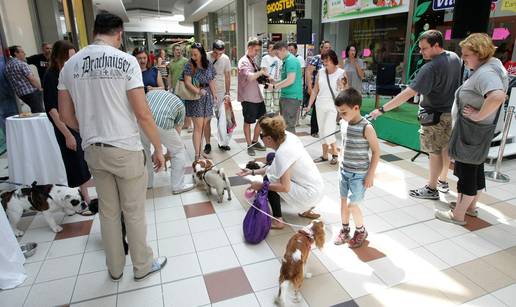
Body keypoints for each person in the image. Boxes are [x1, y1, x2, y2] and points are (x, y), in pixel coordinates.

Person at [58, 12, 167, 282]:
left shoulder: (70, 65)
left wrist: (91, 132)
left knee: (108, 212)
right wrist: (158, 147)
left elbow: (65, 114)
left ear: (95, 31)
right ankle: (142, 266)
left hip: (94, 150)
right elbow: (142, 114)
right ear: (119, 34)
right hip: (126, 149)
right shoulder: (127, 62)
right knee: (133, 212)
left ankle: (115, 268)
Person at [370, 30, 462, 199]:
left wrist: (382, 109)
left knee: (434, 152)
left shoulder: (430, 67)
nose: (421, 52)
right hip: (451, 113)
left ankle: (431, 188)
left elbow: (408, 93)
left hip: (435, 116)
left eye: (424, 48)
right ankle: (442, 181)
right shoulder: (455, 58)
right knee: (444, 149)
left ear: (436, 45)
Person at [435, 33, 508, 225]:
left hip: (472, 130)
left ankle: (458, 215)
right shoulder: (493, 66)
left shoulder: (486, 73)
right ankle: (471, 207)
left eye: (466, 55)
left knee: (466, 172)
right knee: (475, 169)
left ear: (480, 53)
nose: (463, 59)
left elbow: (498, 96)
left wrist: (478, 115)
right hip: (479, 131)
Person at [239, 115, 323, 229]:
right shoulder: (288, 137)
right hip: (318, 189)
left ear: (268, 138)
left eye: (261, 135)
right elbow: (273, 167)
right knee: (272, 171)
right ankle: (306, 210)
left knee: (269, 179)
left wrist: (261, 185)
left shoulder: (282, 153)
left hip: (310, 194)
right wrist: (252, 172)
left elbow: (285, 187)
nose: (260, 138)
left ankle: (278, 220)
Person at [42, 40, 94, 204]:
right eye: (68, 58)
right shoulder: (51, 76)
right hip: (64, 126)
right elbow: (52, 110)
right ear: (58, 58)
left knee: (82, 162)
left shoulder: (70, 73)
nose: (71, 62)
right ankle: (82, 199)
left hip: (76, 123)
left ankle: (84, 196)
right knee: (75, 163)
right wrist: (67, 134)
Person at [333, 87, 380, 248]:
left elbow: (376, 152)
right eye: (339, 112)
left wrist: (370, 175)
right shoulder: (344, 124)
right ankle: (345, 229)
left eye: (344, 112)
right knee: (343, 202)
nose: (341, 116)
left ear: (356, 108)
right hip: (344, 171)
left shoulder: (366, 127)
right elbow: (345, 145)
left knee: (353, 205)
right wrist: (340, 160)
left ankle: (360, 230)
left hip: (359, 175)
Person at [142, 90, 195, 194]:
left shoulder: (151, 93)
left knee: (145, 151)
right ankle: (178, 186)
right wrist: (167, 154)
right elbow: (176, 135)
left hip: (142, 122)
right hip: (162, 122)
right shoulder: (180, 106)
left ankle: (148, 183)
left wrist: (157, 151)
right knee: (178, 150)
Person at [305, 50, 347, 165]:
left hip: (333, 105)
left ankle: (334, 153)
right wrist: (309, 105)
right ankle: (324, 155)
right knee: (322, 131)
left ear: (333, 60)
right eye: (323, 60)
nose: (325, 62)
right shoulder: (321, 72)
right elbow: (315, 91)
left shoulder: (341, 73)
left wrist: (341, 87)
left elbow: (346, 91)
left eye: (327, 60)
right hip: (319, 104)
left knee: (329, 130)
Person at [182, 42, 217, 161]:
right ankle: (197, 155)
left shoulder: (209, 64)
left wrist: (214, 95)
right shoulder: (189, 65)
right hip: (195, 97)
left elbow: (211, 80)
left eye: (195, 54)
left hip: (207, 97)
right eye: (191, 54)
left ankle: (200, 151)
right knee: (198, 127)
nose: (193, 57)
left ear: (202, 54)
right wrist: (198, 91)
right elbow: (187, 82)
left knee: (203, 126)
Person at [237, 37, 268, 156]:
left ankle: (255, 141)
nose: (257, 53)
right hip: (248, 97)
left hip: (257, 96)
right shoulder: (243, 61)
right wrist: (261, 72)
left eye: (258, 50)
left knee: (262, 119)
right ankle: (249, 144)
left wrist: (265, 78)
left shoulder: (252, 60)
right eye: (256, 50)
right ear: (249, 48)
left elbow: (256, 77)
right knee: (248, 121)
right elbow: (249, 77)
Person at [269, 41, 303, 133]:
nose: (276, 56)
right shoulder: (286, 61)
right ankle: (287, 146)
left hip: (291, 97)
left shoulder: (290, 61)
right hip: (287, 96)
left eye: (277, 53)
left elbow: (290, 80)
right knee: (285, 125)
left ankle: (291, 147)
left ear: (283, 50)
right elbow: (286, 79)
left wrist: (275, 86)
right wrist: (274, 82)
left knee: (288, 126)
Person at [207, 40, 232, 152]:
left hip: (221, 92)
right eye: (216, 53)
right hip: (207, 91)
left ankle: (222, 142)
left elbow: (227, 76)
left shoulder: (225, 59)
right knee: (207, 118)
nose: (218, 55)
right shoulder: (206, 57)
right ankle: (207, 144)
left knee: (222, 117)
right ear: (212, 49)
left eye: (221, 53)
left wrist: (227, 93)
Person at [5, 45, 44, 112]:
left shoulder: (7, 66)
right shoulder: (22, 64)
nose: (24, 53)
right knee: (39, 112)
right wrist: (40, 88)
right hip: (32, 92)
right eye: (22, 52)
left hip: (21, 94)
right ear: (16, 53)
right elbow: (31, 78)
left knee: (35, 111)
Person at [306, 41, 332, 138]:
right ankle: (314, 130)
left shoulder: (331, 59)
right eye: (325, 47)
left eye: (329, 47)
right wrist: (309, 86)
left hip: (327, 89)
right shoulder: (317, 58)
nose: (327, 49)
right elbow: (308, 72)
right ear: (321, 48)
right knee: (317, 109)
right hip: (317, 88)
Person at [168, 45, 191, 130]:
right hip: (175, 88)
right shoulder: (171, 63)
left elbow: (189, 73)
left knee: (185, 106)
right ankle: (183, 123)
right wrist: (169, 86)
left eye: (180, 50)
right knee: (178, 107)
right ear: (173, 51)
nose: (179, 51)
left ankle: (189, 124)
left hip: (183, 88)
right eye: (177, 50)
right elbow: (170, 74)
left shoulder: (185, 61)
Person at [261, 41, 282, 114]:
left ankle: (276, 120)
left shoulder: (279, 58)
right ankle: (268, 120)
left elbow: (281, 70)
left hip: (278, 84)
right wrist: (270, 78)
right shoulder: (265, 58)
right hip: (268, 83)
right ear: (267, 49)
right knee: (267, 103)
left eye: (273, 47)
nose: (272, 49)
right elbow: (264, 70)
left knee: (277, 104)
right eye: (270, 47)